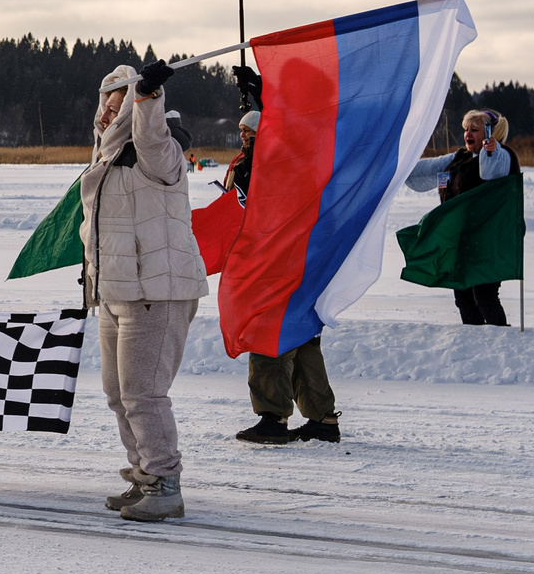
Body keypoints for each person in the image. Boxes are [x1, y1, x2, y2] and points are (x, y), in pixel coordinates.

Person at [78, 59, 205, 523]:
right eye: (107, 105)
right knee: (118, 393)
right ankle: (145, 475)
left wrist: (148, 95)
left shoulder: (159, 154)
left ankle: (166, 483)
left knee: (143, 393)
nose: (110, 114)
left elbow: (150, 134)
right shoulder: (107, 159)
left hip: (158, 290)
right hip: (116, 292)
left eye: (120, 104)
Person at [223, 109, 341, 445]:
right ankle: (322, 417)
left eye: (251, 132)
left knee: (269, 333)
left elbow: (270, 210)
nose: (245, 137)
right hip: (304, 262)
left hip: (282, 264)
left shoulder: (277, 165)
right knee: (301, 338)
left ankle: (272, 416)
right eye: (242, 131)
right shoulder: (291, 161)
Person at [407, 109, 519, 325]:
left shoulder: (502, 156)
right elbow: (421, 172)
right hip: (461, 241)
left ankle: (503, 345)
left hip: (488, 242)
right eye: (466, 129)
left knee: (484, 296)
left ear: (489, 134)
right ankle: (474, 344)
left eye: (475, 130)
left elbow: (489, 170)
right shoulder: (460, 158)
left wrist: (491, 148)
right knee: (463, 296)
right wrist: (399, 164)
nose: (468, 133)